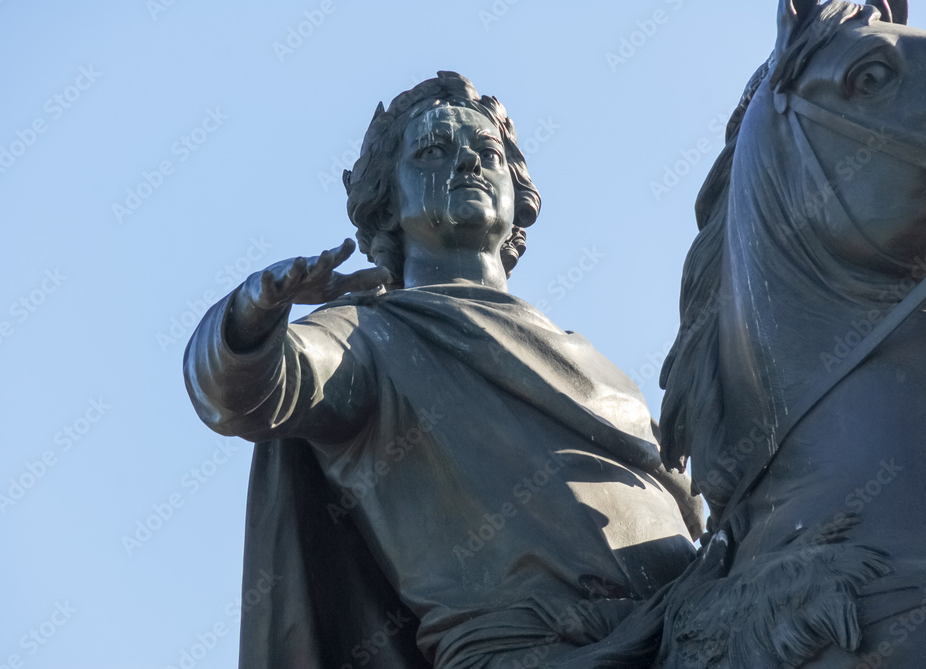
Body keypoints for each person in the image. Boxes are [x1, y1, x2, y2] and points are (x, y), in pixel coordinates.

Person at [184, 71, 702, 669]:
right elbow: (241, 393)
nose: (469, 163)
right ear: (387, 201)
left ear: (518, 193)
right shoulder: (369, 336)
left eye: (488, 153)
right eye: (433, 151)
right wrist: (254, 310)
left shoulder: (595, 361)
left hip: (689, 623)